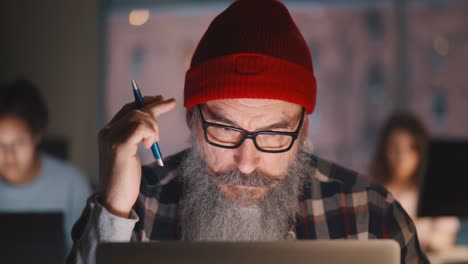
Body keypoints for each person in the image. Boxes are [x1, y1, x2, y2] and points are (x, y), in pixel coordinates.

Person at [68, 1, 428, 263]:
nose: (245, 163)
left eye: (273, 134)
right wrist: (114, 209)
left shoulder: (371, 211)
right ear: (193, 120)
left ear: (302, 131)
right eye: (225, 129)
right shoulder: (139, 204)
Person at [0, 78, 92, 250]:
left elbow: (85, 253)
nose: (9, 155)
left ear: (36, 137)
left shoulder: (71, 183)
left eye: (19, 143)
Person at [370, 112, 460, 253]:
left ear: (421, 153)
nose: (402, 156)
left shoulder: (434, 192)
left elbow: (444, 239)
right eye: (395, 147)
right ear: (384, 150)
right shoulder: (371, 193)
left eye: (410, 148)